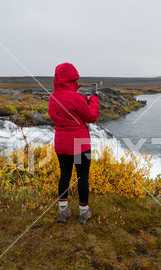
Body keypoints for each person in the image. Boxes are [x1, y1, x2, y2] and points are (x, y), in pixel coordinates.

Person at [48, 63, 99, 224]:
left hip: (61, 145)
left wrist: (84, 100)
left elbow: (66, 108)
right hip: (79, 145)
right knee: (82, 178)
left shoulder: (53, 96)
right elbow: (91, 117)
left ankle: (63, 212)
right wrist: (94, 100)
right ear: (73, 78)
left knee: (64, 176)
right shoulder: (75, 97)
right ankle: (84, 212)